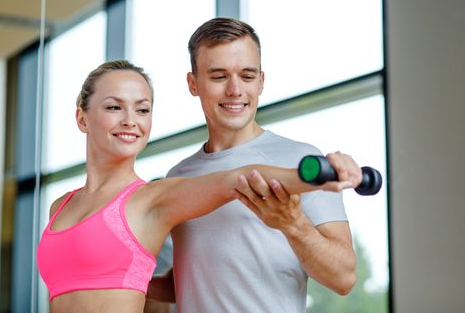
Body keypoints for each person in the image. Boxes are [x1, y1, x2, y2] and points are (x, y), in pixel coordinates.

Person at [36, 59, 361, 313]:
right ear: (82, 118)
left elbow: (238, 177)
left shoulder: (152, 199)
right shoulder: (61, 206)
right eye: (113, 106)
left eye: (143, 109)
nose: (130, 120)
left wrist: (316, 175)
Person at [149, 17, 358, 312]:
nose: (235, 90)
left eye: (247, 76)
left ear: (261, 81)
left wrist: (293, 224)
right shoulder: (179, 176)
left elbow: (344, 277)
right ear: (193, 83)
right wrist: (120, 280)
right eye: (219, 77)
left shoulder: (301, 162)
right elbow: (194, 280)